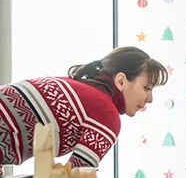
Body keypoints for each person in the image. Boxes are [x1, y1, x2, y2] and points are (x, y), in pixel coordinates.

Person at [0, 47, 168, 170]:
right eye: (147, 88)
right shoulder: (107, 114)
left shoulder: (78, 88)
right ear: (121, 81)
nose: (150, 99)